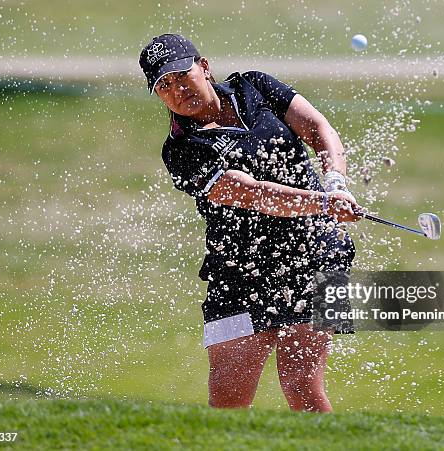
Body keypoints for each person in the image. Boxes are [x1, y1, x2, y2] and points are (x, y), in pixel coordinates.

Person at [140, 33, 361, 413]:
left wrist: (336, 182)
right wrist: (325, 202)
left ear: (204, 67)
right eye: (164, 85)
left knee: (303, 387)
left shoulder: (255, 86)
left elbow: (319, 130)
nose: (177, 90)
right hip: (238, 269)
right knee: (227, 401)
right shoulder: (181, 150)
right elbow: (254, 194)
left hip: (317, 255)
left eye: (182, 75)